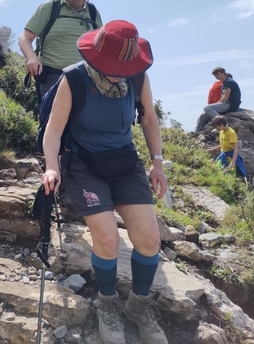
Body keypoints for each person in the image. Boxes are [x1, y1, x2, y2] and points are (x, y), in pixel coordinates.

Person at [41, 20, 168, 344]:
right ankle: (107, 303)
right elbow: (53, 131)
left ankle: (138, 306)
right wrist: (52, 168)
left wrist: (157, 163)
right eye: (112, 67)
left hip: (124, 162)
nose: (118, 73)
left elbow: (149, 119)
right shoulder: (74, 79)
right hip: (83, 164)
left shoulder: (137, 77)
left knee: (149, 240)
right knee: (108, 240)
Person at [18, 0, 103, 102]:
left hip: (86, 78)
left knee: (82, 122)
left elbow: (101, 45)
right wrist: (31, 58)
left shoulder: (93, 12)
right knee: (52, 121)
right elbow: (25, 38)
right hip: (52, 76)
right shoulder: (50, 8)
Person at [195, 67, 241, 132]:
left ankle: (222, 122)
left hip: (230, 104)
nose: (216, 76)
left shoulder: (229, 82)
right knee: (204, 115)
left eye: (217, 74)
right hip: (226, 104)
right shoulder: (224, 83)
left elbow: (225, 98)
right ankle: (197, 132)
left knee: (207, 108)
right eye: (215, 75)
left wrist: (216, 104)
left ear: (223, 73)